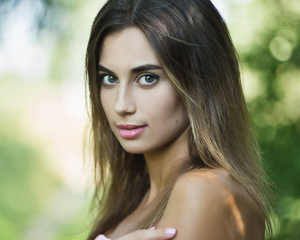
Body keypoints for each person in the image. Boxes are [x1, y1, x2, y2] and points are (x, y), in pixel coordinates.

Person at [84, 0, 275, 239]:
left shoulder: (202, 191)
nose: (121, 105)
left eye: (147, 78)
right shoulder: (135, 199)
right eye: (110, 79)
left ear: (199, 83)